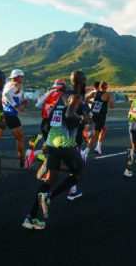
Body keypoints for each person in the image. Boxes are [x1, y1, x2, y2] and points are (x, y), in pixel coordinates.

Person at [22, 73, 90, 230]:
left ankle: (30, 217)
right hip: (65, 143)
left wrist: (48, 141)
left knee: (50, 179)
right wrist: (82, 119)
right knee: (79, 173)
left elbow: (52, 115)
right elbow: (69, 114)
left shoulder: (61, 96)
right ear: (83, 82)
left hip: (52, 141)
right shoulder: (77, 97)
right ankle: (50, 197)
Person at [0, 69, 29, 168]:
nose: (22, 78)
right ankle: (23, 161)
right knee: (20, 138)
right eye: (22, 77)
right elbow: (7, 95)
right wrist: (16, 106)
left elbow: (8, 95)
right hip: (11, 115)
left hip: (3, 113)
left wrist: (21, 100)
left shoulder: (7, 84)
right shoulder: (17, 84)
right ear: (18, 77)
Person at [82, 81, 114, 159]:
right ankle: (86, 151)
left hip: (93, 114)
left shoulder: (94, 93)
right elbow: (112, 106)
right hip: (101, 116)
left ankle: (98, 146)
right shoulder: (107, 94)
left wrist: (93, 103)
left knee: (104, 128)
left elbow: (85, 99)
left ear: (100, 87)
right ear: (106, 87)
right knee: (95, 135)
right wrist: (109, 100)